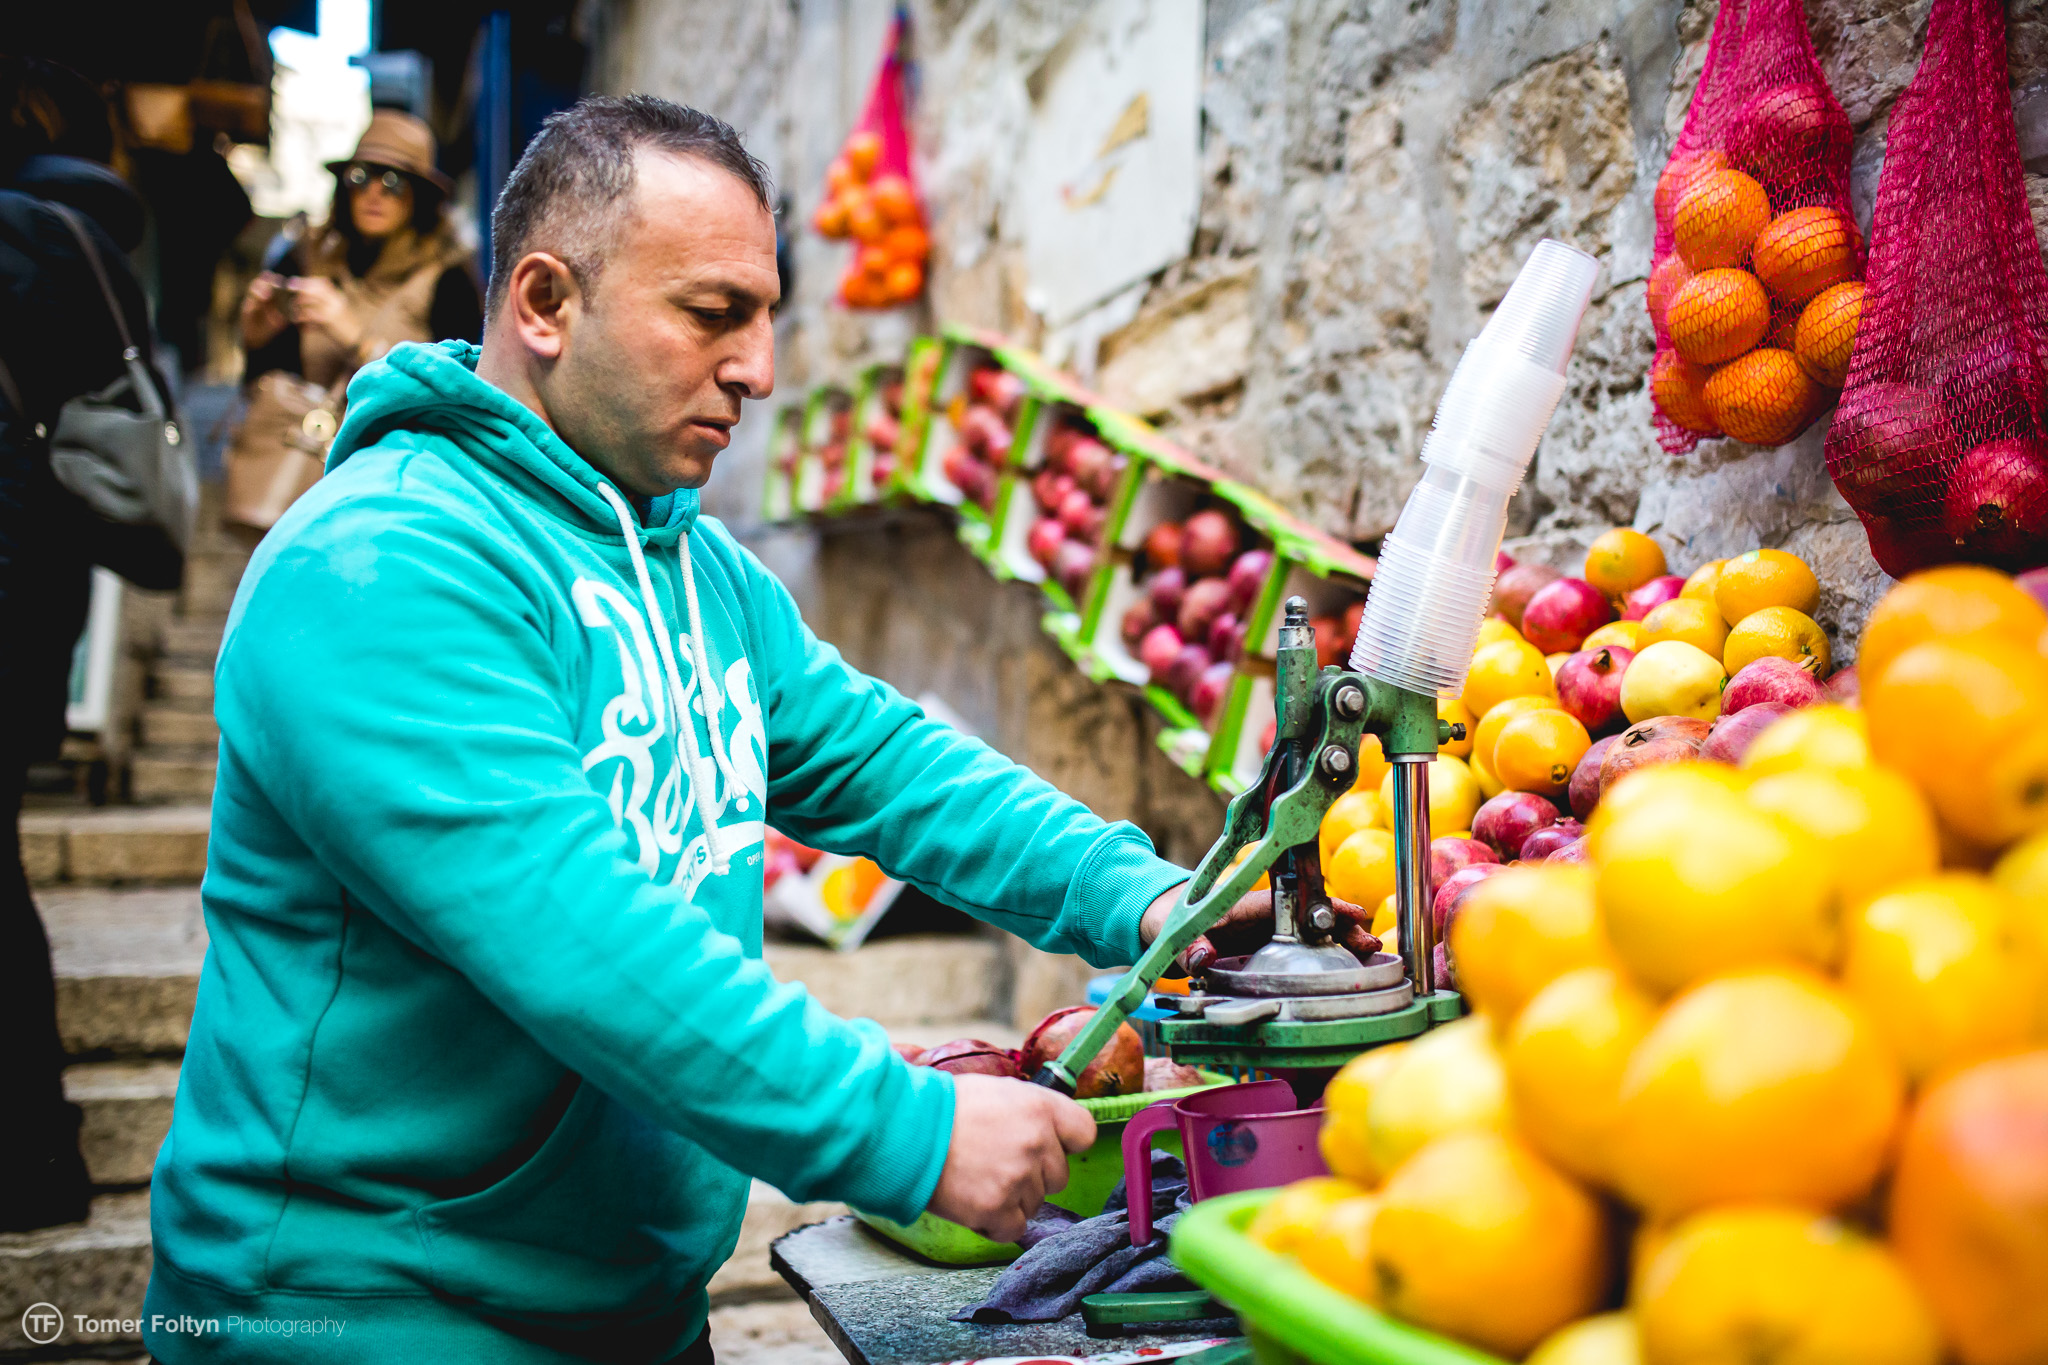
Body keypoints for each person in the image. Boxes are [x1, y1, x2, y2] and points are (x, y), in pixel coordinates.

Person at [142, 95, 1371, 1364]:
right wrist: (904, 1130)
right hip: (365, 1314)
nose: (759, 370)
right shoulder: (381, 565)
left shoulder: (701, 571)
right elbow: (576, 935)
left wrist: (1155, 898)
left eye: (767, 317)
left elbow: (887, 764)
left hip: (631, 1309)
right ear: (545, 303)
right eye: (712, 313)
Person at [0, 55, 183, 1235]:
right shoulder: (90, 243)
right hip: (44, 587)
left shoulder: (29, 237)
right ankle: (41, 1161)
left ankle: (33, 1160)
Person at [238, 109, 481, 392]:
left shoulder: (449, 281)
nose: (374, 193)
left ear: (419, 196)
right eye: (360, 177)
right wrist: (257, 341)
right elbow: (264, 386)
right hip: (309, 420)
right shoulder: (305, 261)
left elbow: (455, 392)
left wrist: (356, 338)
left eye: (393, 182)